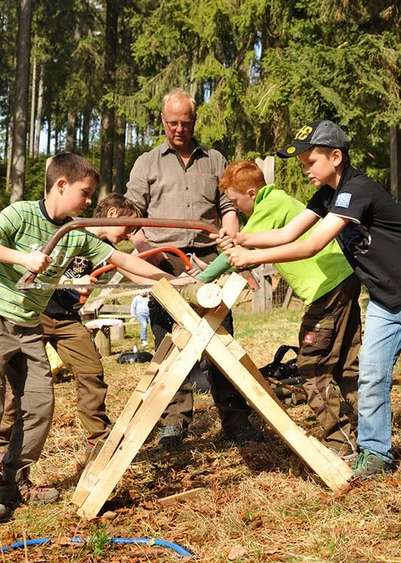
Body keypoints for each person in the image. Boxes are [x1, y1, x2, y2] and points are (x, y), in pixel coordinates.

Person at [221, 120, 401, 479]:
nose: (306, 169)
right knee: (371, 375)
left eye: (311, 162)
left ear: (336, 157)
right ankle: (376, 454)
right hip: (384, 299)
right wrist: (242, 240)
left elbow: (312, 244)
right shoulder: (327, 194)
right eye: (303, 163)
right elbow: (289, 232)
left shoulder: (356, 190)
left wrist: (253, 257)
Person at [0, 153, 190, 522]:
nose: (88, 201)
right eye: (85, 193)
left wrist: (173, 279)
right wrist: (22, 259)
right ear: (61, 185)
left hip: (29, 326)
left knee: (39, 405)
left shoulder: (76, 234)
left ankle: (13, 480)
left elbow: (123, 261)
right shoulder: (21, 213)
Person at [125, 88, 262, 447]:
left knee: (221, 341)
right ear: (162, 121)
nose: (179, 129)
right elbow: (130, 216)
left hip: (208, 260)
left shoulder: (214, 160)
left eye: (185, 123)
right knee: (168, 345)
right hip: (164, 262)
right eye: (173, 123)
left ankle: (236, 421)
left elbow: (227, 206)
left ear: (194, 121)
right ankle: (173, 422)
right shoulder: (147, 163)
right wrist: (146, 251)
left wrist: (230, 235)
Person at [196, 161, 362, 459]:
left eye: (235, 201)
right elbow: (245, 251)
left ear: (251, 193)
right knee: (346, 365)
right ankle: (374, 432)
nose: (236, 209)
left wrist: (202, 278)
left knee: (311, 366)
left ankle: (341, 442)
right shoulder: (278, 200)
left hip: (326, 289)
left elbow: (237, 252)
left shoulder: (268, 206)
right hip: (342, 279)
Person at [0, 193, 144, 458]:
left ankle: (98, 439)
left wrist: (170, 281)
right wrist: (71, 282)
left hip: (68, 319)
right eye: (128, 226)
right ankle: (1, 442)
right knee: (19, 381)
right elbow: (41, 269)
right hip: (38, 314)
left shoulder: (103, 250)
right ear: (112, 214)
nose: (129, 234)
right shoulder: (71, 232)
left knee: (91, 372)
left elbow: (133, 270)